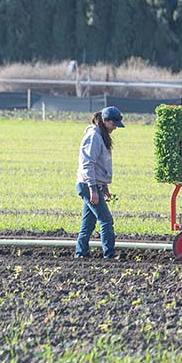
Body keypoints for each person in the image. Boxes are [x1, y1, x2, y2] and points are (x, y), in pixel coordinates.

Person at [75, 106, 125, 259]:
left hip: (93, 185)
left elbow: (99, 166)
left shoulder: (100, 135)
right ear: (104, 120)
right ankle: (109, 256)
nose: (115, 127)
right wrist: (93, 189)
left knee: (88, 223)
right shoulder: (94, 137)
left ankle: (80, 254)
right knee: (106, 220)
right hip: (88, 185)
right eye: (113, 124)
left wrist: (105, 188)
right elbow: (87, 164)